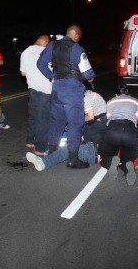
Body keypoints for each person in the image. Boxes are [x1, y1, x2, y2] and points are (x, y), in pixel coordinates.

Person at [37, 23, 96, 169]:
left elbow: (40, 63)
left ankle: (52, 152)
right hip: (72, 90)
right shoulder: (77, 49)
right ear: (76, 35)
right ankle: (73, 159)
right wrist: (91, 78)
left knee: (57, 122)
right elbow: (88, 74)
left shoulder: (53, 45)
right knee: (75, 123)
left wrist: (52, 76)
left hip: (57, 88)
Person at [25, 88, 106, 171]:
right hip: (91, 147)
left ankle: (44, 162)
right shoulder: (97, 118)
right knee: (69, 145)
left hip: (93, 153)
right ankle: (50, 156)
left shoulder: (87, 100)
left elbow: (89, 118)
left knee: (68, 148)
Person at [100, 83, 138, 185]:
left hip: (113, 129)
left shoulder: (110, 101)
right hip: (130, 130)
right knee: (128, 158)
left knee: (105, 156)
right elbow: (137, 118)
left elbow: (108, 118)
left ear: (116, 94)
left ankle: (111, 162)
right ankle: (127, 166)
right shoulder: (135, 101)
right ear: (128, 93)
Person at [19, 33, 52, 154]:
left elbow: (23, 73)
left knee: (33, 117)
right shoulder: (47, 53)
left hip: (32, 89)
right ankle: (40, 148)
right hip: (46, 91)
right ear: (46, 43)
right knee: (43, 120)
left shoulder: (26, 52)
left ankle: (30, 141)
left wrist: (33, 75)